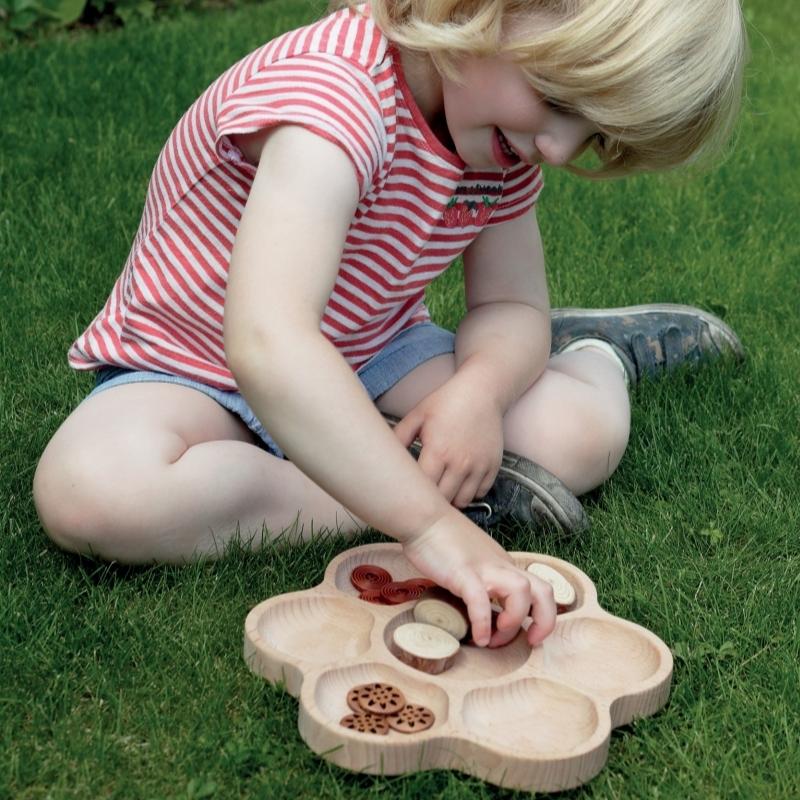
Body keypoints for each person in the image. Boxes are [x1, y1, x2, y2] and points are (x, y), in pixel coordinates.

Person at [32, 0, 747, 649]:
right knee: (92, 491)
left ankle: (594, 355)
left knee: (577, 432)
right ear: (481, 9)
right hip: (191, 367)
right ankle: (398, 486)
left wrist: (480, 393)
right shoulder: (335, 95)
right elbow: (267, 340)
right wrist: (431, 526)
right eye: (559, 100)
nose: (557, 149)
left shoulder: (499, 142)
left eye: (593, 137)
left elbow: (510, 307)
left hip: (371, 350)